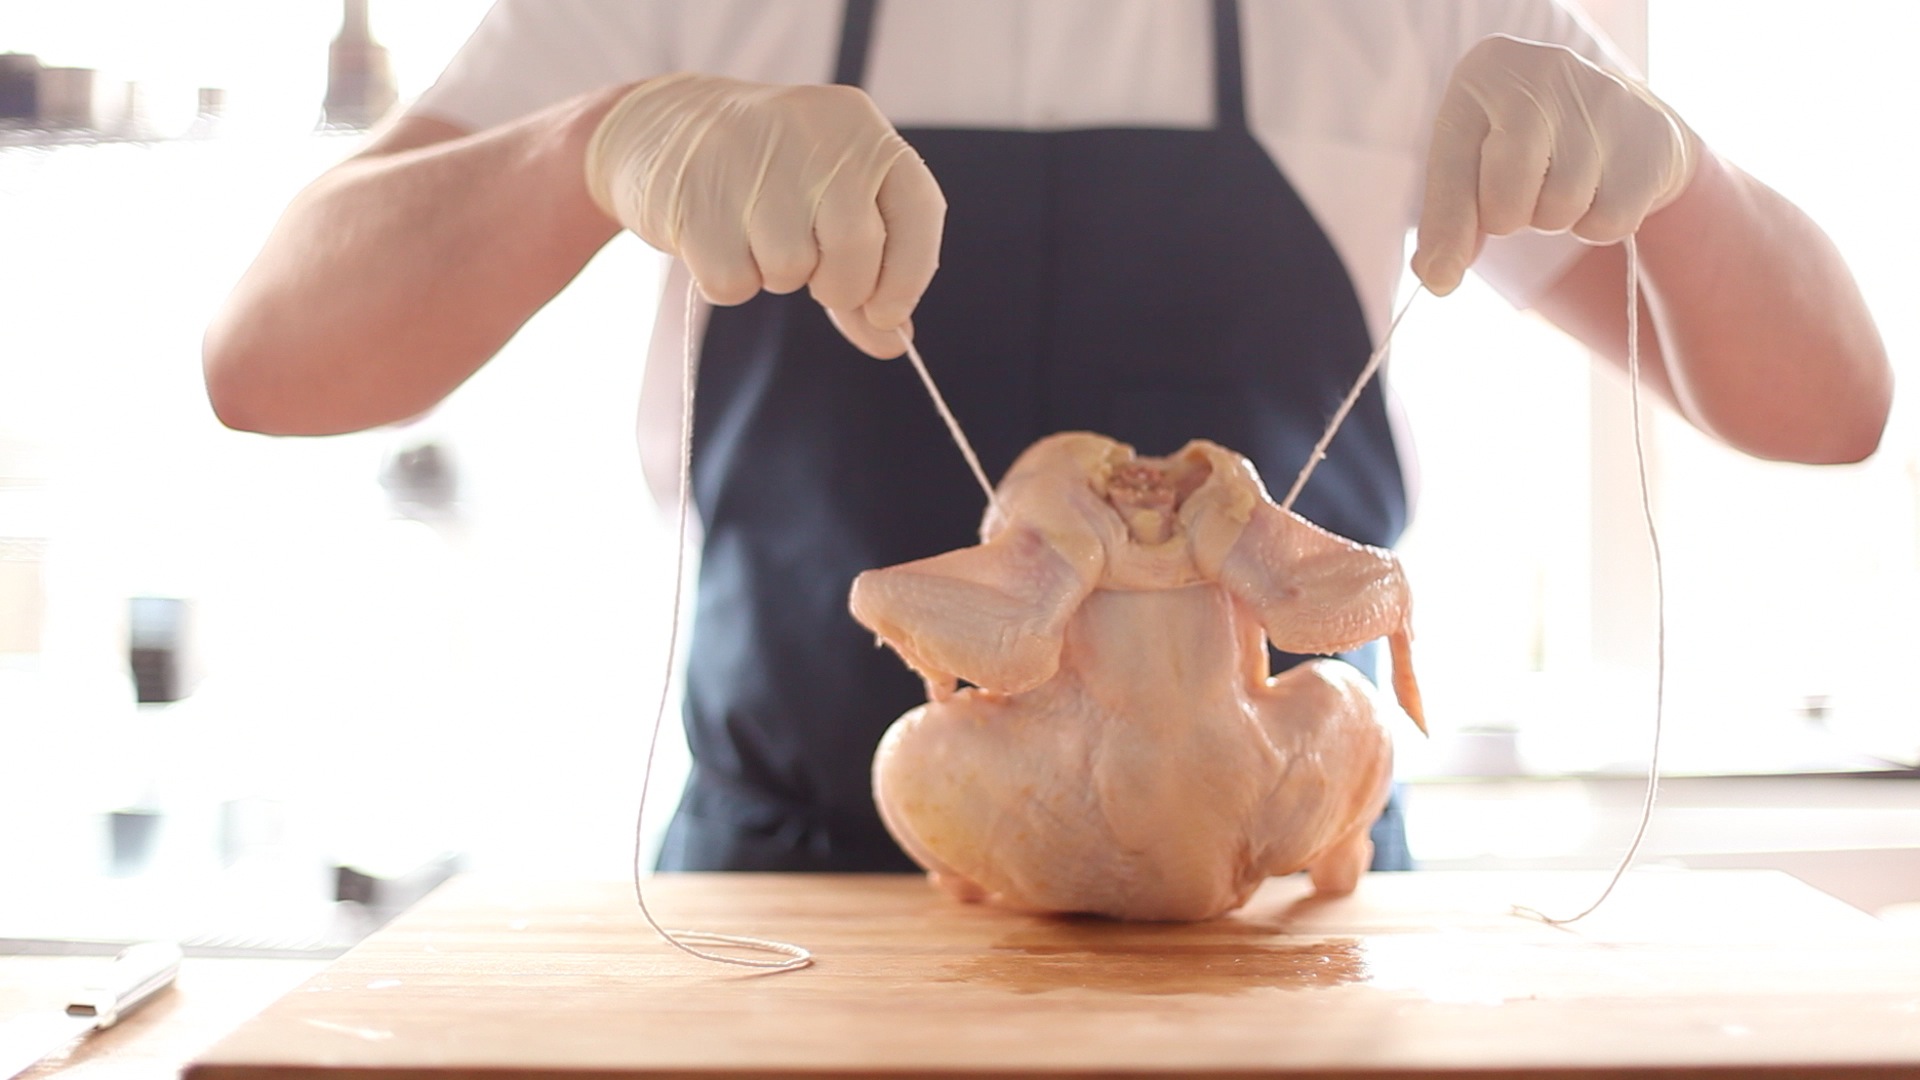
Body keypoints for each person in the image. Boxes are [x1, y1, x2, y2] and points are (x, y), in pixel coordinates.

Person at [203, 1, 1891, 875]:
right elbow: (265, 354)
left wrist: (1674, 172)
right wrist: (594, 144)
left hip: (1285, 943)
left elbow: (1832, 402)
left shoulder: (1399, 5)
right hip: (793, 936)